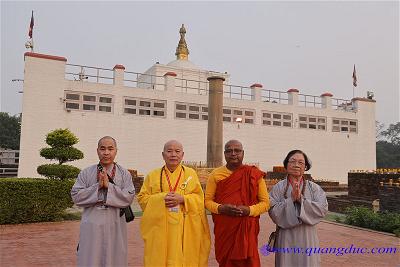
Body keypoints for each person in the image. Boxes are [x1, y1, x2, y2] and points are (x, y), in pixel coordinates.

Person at [137, 140, 210, 267]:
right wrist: (161, 198)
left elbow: (199, 198)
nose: (173, 155)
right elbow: (142, 199)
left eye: (177, 151)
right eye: (169, 151)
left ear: (182, 155)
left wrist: (183, 199)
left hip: (185, 227)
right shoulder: (152, 175)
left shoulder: (191, 174)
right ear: (163, 154)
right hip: (160, 229)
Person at [71, 136, 135, 267]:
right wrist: (98, 187)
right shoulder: (86, 173)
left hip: (115, 223)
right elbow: (76, 195)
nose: (106, 152)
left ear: (116, 151)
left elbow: (129, 197)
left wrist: (109, 187)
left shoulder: (124, 174)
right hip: (92, 224)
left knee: (115, 258)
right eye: (103, 149)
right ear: (97, 151)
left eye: (110, 149)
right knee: (90, 258)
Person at [205, 140, 270, 267]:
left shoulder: (253, 174)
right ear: (224, 154)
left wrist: (249, 210)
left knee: (248, 260)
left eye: (237, 151)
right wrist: (221, 208)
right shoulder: (216, 174)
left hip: (246, 227)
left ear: (243, 153)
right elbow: (207, 201)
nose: (233, 154)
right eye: (229, 151)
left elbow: (266, 203)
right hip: (225, 228)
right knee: (226, 260)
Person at [268, 149, 328, 267]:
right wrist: (290, 201)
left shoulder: (314, 188)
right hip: (286, 237)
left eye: (301, 162)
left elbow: (322, 208)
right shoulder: (278, 188)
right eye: (293, 161)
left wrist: (301, 200)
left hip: (308, 238)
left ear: (305, 167)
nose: (296, 165)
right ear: (286, 165)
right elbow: (273, 211)